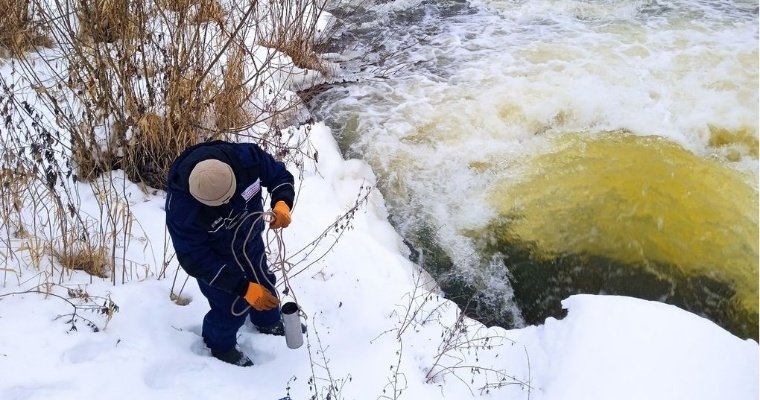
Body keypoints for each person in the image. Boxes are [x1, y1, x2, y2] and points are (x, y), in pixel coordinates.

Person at [165, 140, 296, 367]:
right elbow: (194, 259)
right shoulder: (182, 210)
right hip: (218, 259)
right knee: (230, 304)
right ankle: (220, 345)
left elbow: (278, 175)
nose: (228, 204)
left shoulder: (246, 158)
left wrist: (283, 201)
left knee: (263, 279)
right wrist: (242, 288)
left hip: (250, 240)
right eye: (218, 203)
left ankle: (268, 321)